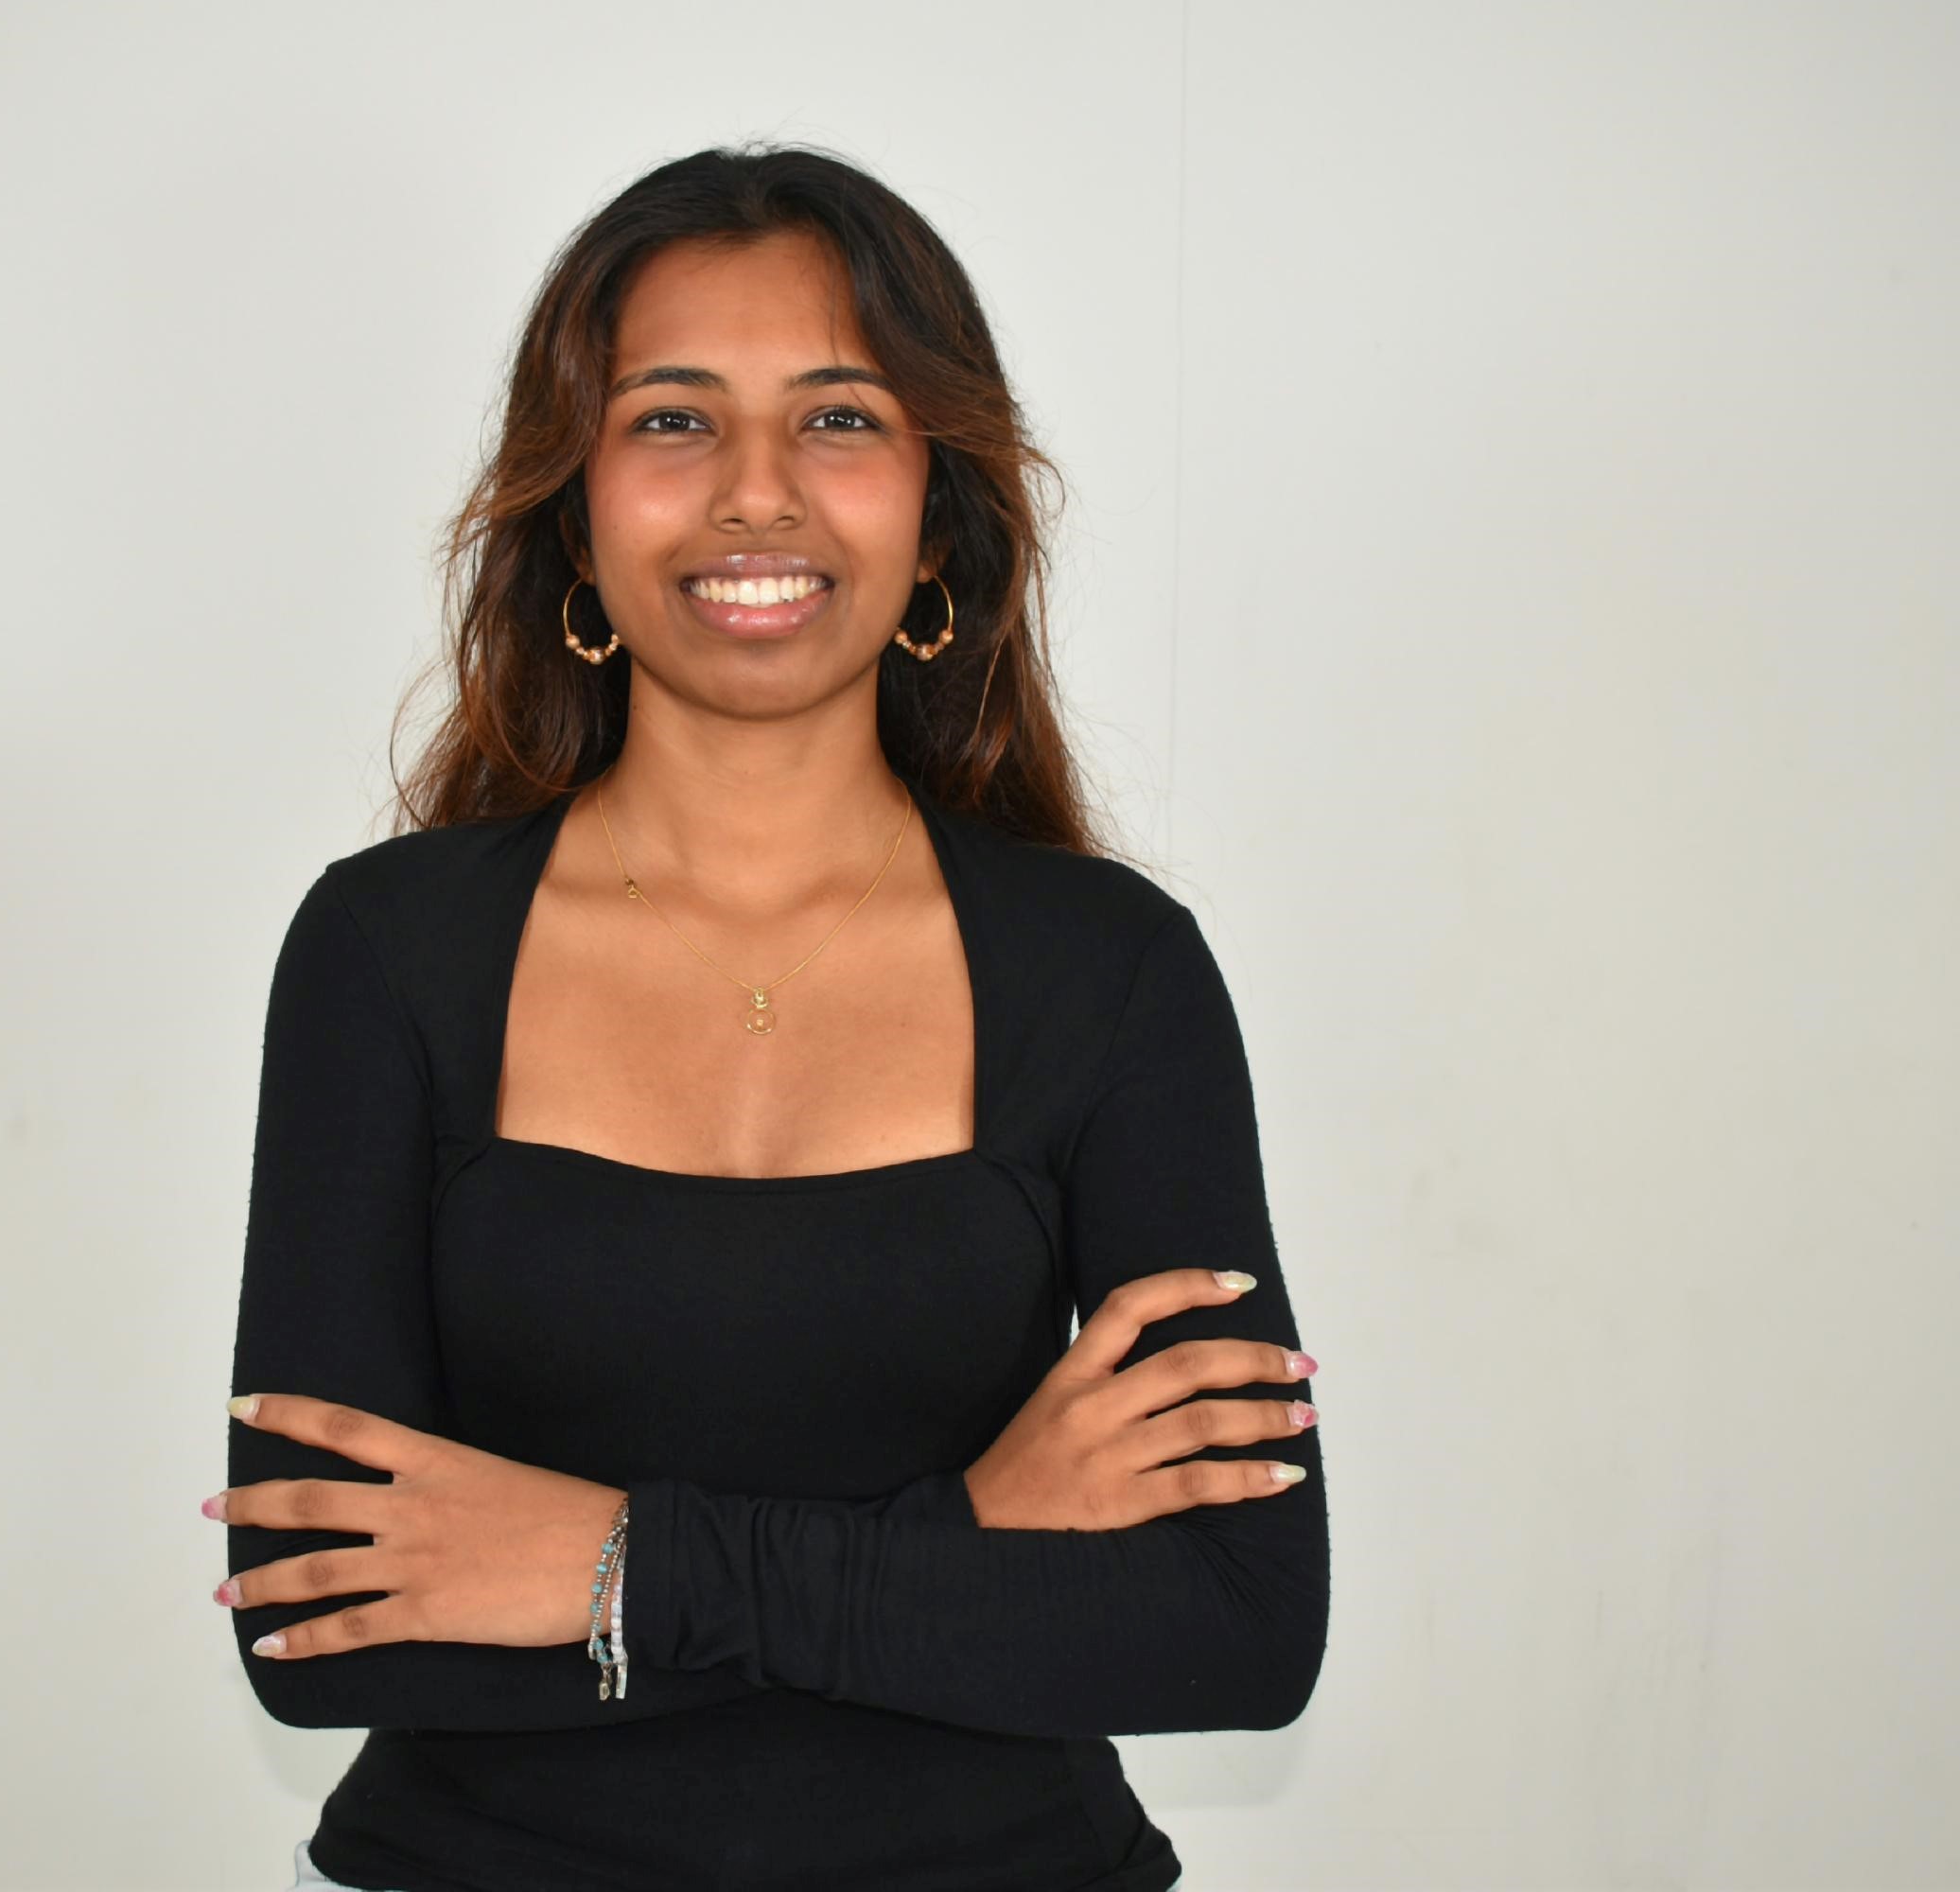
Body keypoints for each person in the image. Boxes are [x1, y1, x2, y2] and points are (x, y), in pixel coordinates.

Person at [204, 142, 1329, 1892]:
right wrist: (970, 1535)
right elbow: (317, 1629)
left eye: (838, 418)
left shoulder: (1113, 971)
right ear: (572, 512)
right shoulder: (386, 951)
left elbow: (1238, 1627)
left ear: (936, 514)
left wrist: (599, 1572)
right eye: (671, 419)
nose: (755, 494)